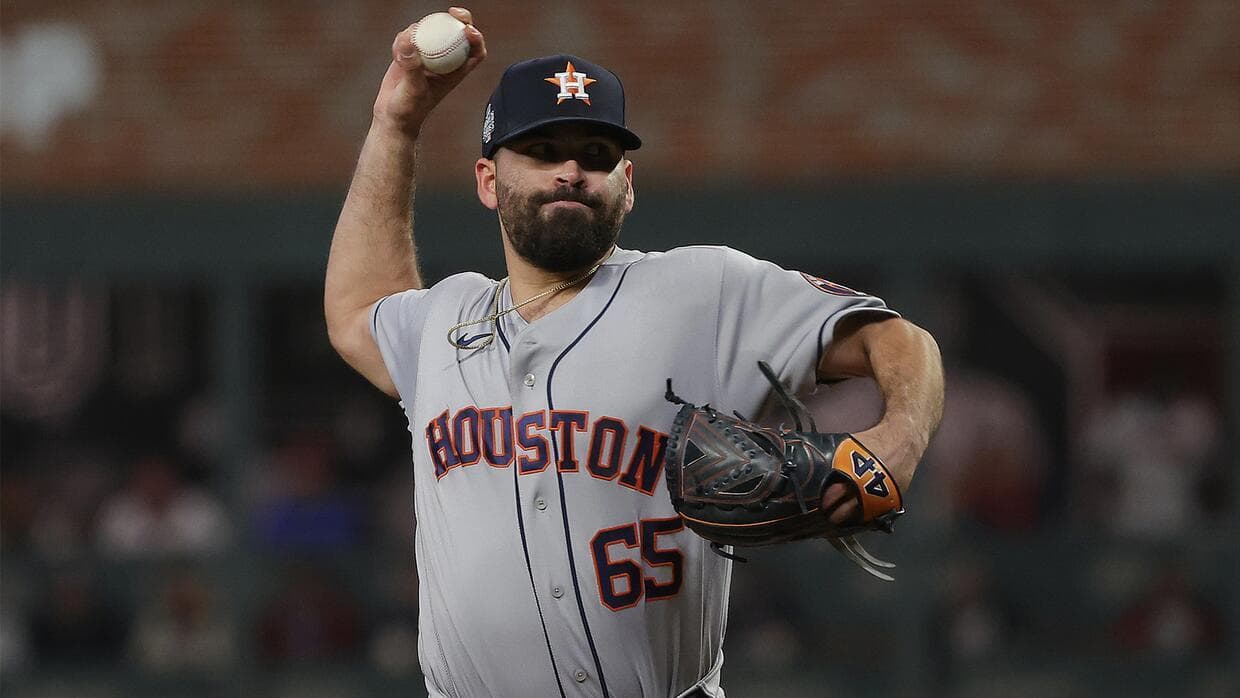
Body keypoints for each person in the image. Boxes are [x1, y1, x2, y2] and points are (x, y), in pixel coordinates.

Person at [324, 8, 944, 697]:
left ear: (627, 184)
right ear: (489, 181)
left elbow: (898, 341)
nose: (570, 170)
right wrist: (396, 124)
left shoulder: (702, 289)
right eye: (542, 149)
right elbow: (358, 308)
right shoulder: (445, 319)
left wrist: (898, 443)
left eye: (596, 155)